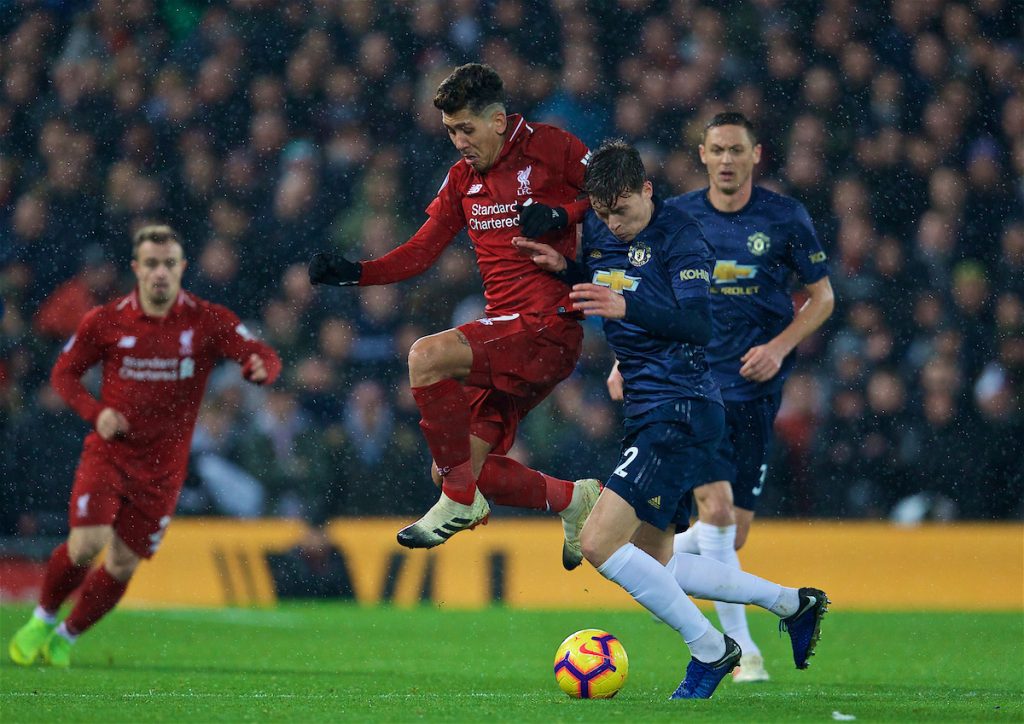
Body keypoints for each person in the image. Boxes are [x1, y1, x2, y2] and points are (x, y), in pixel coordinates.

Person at [515, 139, 828, 700]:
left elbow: (697, 325)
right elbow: (612, 281)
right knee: (657, 563)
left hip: (678, 408)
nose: (616, 224)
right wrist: (567, 269)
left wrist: (624, 308)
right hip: (652, 409)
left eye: (624, 211)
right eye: (605, 214)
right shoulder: (607, 235)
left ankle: (711, 651)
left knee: (597, 543)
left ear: (647, 191)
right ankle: (793, 602)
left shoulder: (684, 238)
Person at [307, 63, 600, 567]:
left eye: (466, 129)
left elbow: (619, 193)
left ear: (499, 121)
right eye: (450, 131)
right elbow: (421, 252)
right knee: (455, 468)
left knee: (426, 356)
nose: (459, 141)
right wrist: (357, 273)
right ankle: (574, 499)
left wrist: (563, 214)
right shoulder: (462, 179)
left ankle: (460, 504)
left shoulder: (551, 146)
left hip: (549, 324)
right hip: (509, 334)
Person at [8, 224, 282, 668]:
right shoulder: (106, 319)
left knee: (120, 564)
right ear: (136, 268)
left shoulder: (207, 320)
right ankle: (42, 615)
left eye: (169, 264)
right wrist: (97, 414)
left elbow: (263, 354)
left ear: (182, 269)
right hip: (110, 454)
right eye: (151, 264)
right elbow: (64, 373)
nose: (160, 273)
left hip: (163, 470)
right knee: (85, 545)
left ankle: (66, 635)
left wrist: (260, 369)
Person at [634, 111, 831, 682]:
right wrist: (630, 360)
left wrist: (780, 344)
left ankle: (656, 558)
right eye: (716, 150)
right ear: (701, 155)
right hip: (693, 385)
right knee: (717, 512)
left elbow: (822, 298)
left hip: (756, 391)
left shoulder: (784, 217)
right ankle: (741, 652)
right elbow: (649, 294)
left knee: (730, 533)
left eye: (736, 150)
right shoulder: (677, 218)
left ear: (755, 155)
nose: (726, 160)